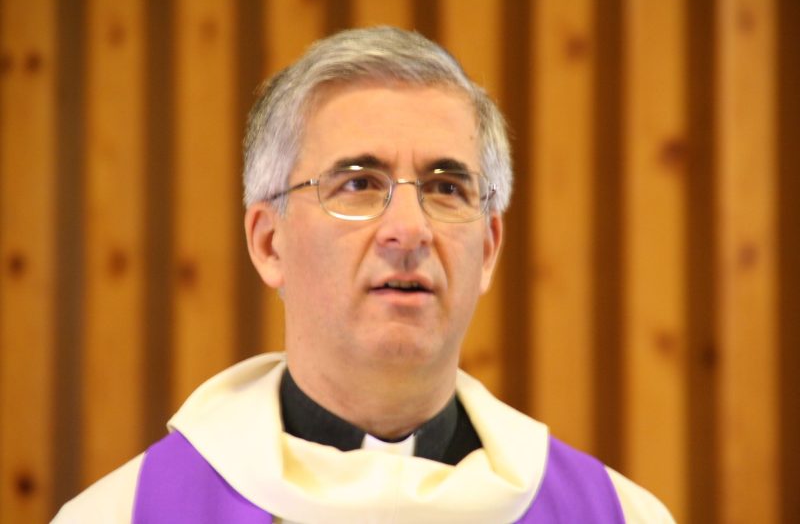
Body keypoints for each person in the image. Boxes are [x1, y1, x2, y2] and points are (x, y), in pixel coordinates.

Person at [54, 26, 674, 523]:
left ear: (487, 249)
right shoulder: (121, 515)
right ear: (269, 243)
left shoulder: (620, 515)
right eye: (358, 184)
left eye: (446, 188)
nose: (409, 229)